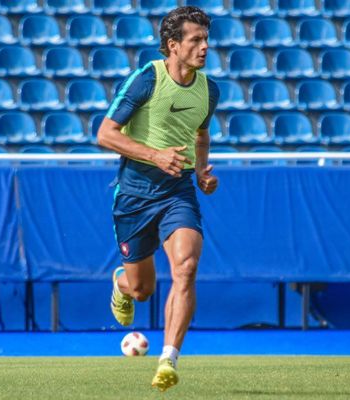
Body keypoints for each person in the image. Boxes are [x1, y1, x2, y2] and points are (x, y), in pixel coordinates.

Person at [97, 6, 219, 392]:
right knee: (142, 290)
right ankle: (121, 283)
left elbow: (201, 134)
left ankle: (169, 359)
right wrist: (154, 155)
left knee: (185, 266)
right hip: (134, 195)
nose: (204, 48)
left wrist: (201, 171)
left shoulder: (209, 89)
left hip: (177, 191)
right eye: (195, 40)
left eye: (206, 40)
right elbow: (105, 134)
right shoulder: (144, 79)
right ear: (172, 45)